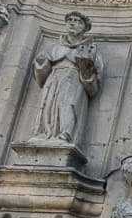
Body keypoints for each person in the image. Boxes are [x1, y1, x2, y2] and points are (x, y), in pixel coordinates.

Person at [30, 11, 102, 145]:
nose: (72, 23)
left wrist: (86, 70)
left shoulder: (89, 49)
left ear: (85, 28)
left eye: (77, 21)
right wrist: (41, 63)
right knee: (48, 104)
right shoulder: (54, 48)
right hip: (54, 79)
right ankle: (45, 132)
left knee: (68, 105)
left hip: (74, 81)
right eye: (70, 20)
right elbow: (41, 73)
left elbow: (94, 82)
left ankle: (66, 134)